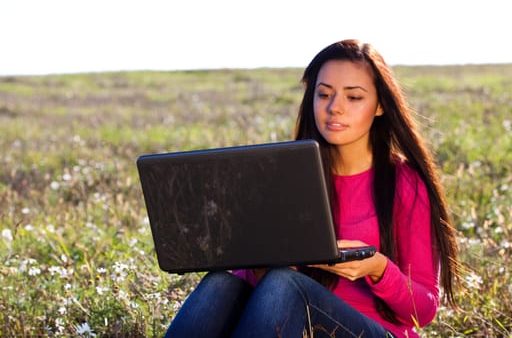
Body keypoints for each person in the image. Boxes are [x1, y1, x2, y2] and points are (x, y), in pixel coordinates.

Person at [164, 39, 461, 337]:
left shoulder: (406, 183)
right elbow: (258, 288)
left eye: (354, 97)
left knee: (284, 286)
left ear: (380, 105)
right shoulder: (288, 177)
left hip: (376, 332)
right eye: (324, 94)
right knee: (221, 282)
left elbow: (423, 311)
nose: (335, 108)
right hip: (294, 325)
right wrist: (259, 267)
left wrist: (378, 269)